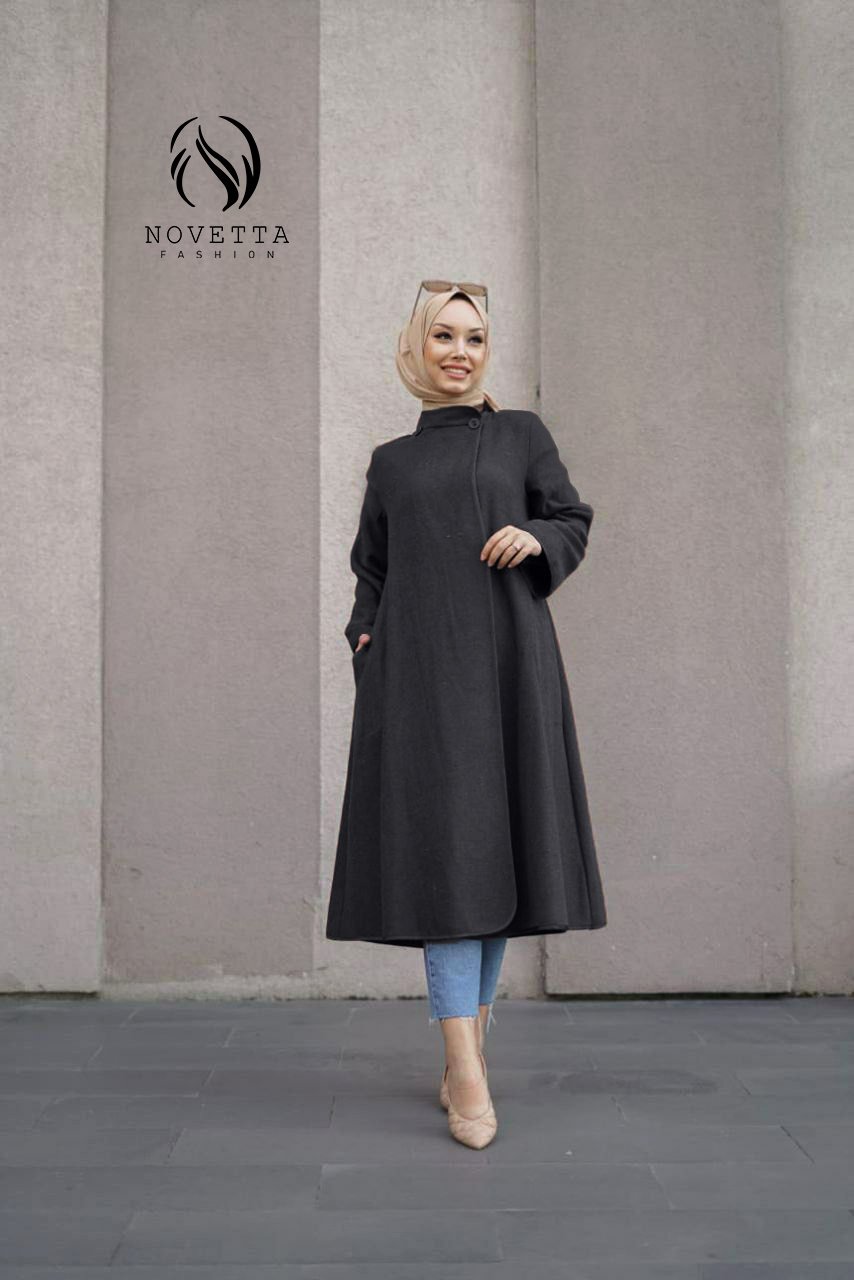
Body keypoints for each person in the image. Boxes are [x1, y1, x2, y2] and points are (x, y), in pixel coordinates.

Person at [327, 280, 607, 1149]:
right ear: (416, 347)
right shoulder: (391, 462)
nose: (460, 351)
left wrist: (537, 538)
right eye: (444, 335)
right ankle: (467, 1066)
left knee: (490, 855)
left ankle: (464, 1057)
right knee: (447, 862)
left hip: (509, 670)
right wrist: (366, 640)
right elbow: (371, 570)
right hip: (418, 681)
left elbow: (570, 517)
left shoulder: (521, 434)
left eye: (475, 338)